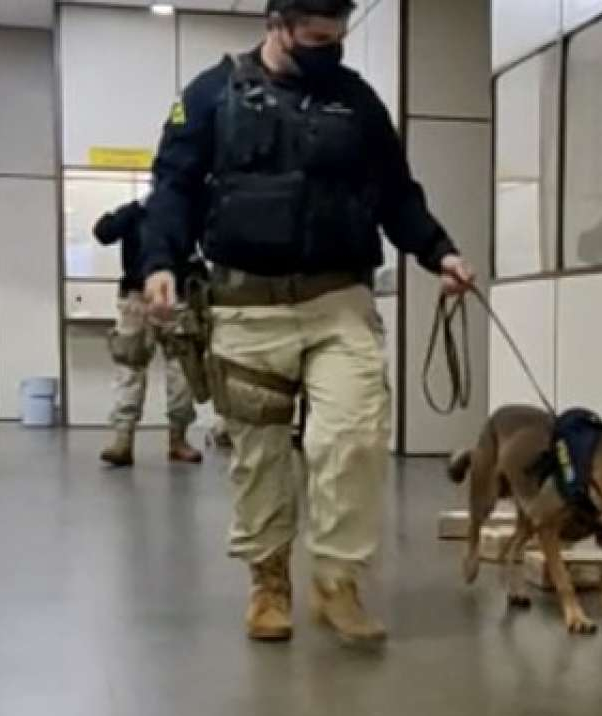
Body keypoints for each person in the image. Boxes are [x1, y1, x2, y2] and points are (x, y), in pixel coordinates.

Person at [140, 0, 473, 646]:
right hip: (245, 307)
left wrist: (440, 251)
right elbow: (174, 186)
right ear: (278, 24)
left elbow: (397, 193)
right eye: (317, 37)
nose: (330, 49)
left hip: (337, 301)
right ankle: (268, 583)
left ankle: (337, 581)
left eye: (338, 37)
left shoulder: (358, 103)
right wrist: (160, 261)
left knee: (354, 437)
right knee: (260, 458)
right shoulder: (212, 94)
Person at [95, 200, 203, 468]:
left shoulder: (187, 211)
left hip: (178, 298)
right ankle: (123, 439)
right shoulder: (134, 213)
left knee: (183, 371)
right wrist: (134, 208)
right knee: (129, 367)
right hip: (136, 298)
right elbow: (103, 232)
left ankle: (178, 439)